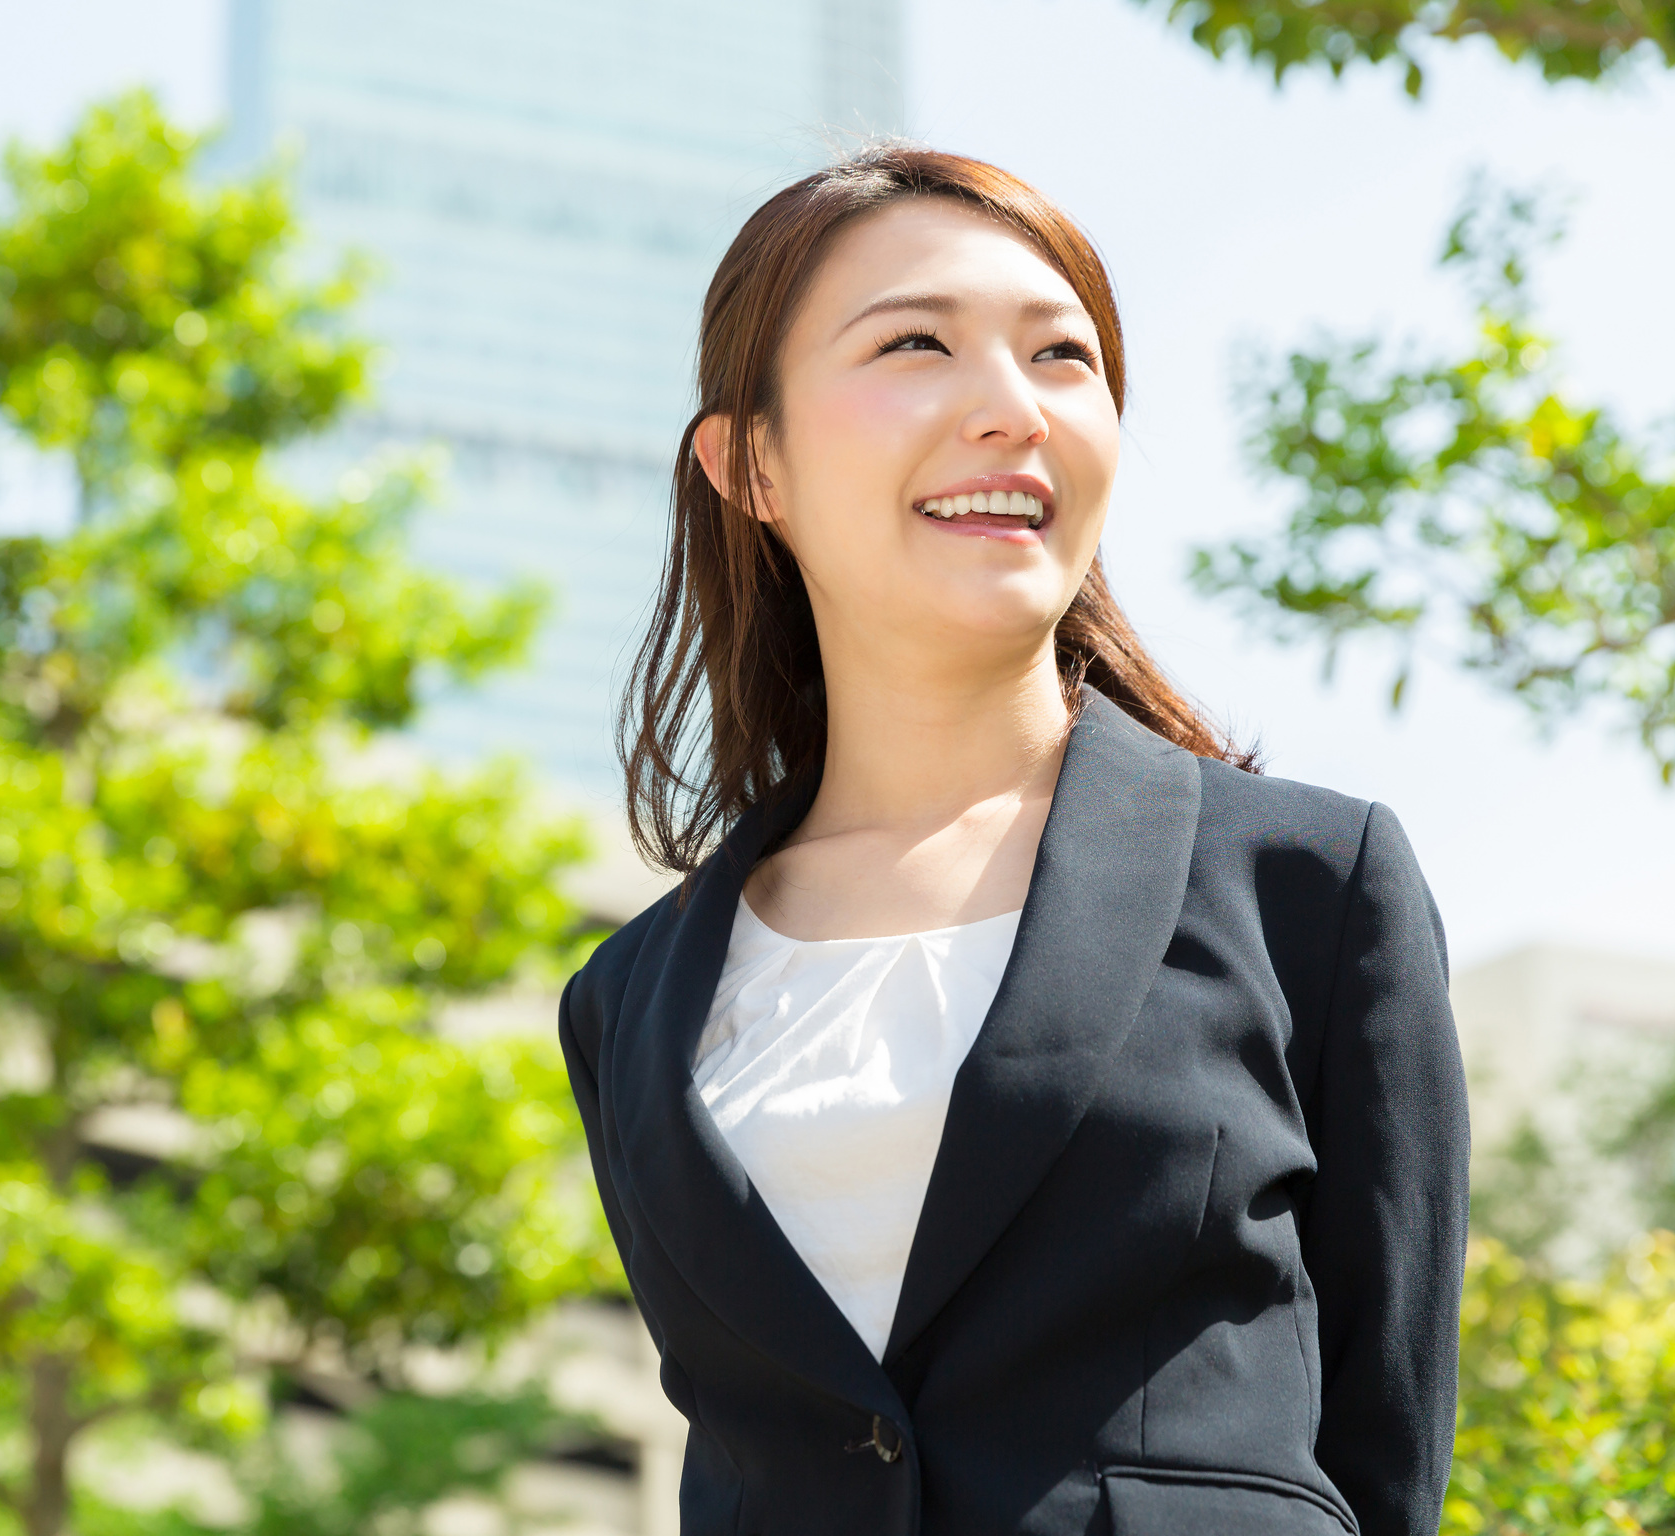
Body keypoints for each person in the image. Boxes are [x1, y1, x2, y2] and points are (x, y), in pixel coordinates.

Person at [557, 145, 1470, 1536]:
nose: (1014, 411)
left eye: (1064, 358)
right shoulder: (629, 1002)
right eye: (916, 342)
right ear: (751, 464)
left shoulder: (1310, 889)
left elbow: (1387, 1456)